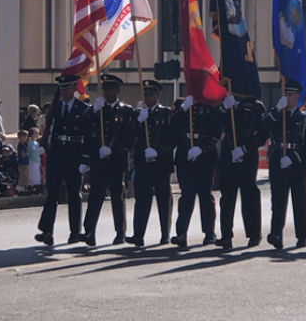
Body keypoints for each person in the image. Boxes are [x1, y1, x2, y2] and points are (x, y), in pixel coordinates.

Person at [34, 75, 92, 246]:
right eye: (62, 88)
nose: (64, 91)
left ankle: (75, 232)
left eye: (67, 88)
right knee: (52, 193)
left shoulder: (83, 109)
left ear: (74, 88)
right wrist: (44, 144)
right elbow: (50, 128)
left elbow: (88, 135)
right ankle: (47, 231)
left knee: (74, 194)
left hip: (74, 154)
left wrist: (85, 159)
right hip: (57, 154)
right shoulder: (55, 108)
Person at [80, 74, 133, 246]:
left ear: (117, 90)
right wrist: (93, 111)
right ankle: (89, 232)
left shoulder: (126, 111)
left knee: (117, 196)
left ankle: (120, 232)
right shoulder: (97, 110)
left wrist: (113, 148)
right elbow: (87, 131)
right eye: (105, 89)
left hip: (116, 160)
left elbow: (129, 137)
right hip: (99, 160)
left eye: (111, 89)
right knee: (95, 195)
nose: (107, 92)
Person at [263, 80, 306, 250]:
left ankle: (302, 236)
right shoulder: (277, 115)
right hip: (278, 159)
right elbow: (262, 128)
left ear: (297, 96)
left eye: (291, 94)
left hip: (297, 163)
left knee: (299, 200)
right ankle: (276, 234)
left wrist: (293, 158)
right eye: (285, 94)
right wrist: (277, 110)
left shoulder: (305, 119)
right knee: (278, 201)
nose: (287, 97)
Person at [125, 79, 175, 249]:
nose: (148, 97)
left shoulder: (166, 113)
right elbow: (130, 137)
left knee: (164, 199)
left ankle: (165, 233)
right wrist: (139, 122)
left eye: (151, 94)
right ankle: (138, 234)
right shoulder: (137, 114)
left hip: (161, 164)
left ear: (158, 95)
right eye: (145, 94)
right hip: (143, 164)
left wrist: (158, 150)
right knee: (141, 200)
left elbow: (171, 138)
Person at [215, 91, 267, 250]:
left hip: (247, 155)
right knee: (227, 196)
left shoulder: (256, 106)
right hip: (228, 154)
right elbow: (213, 125)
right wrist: (224, 109)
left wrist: (245, 148)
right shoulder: (225, 104)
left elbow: (262, 133)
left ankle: (254, 234)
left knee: (249, 194)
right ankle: (225, 236)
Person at [170, 93, 221, 249]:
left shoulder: (212, 107)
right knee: (186, 196)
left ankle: (209, 233)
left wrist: (201, 147)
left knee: (205, 195)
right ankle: (181, 234)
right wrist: (183, 109)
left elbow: (216, 132)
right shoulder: (181, 105)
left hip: (205, 157)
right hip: (185, 155)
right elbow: (172, 127)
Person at [26, 127, 43, 193]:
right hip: (32, 160)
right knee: (32, 174)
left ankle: (36, 187)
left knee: (36, 174)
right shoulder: (30, 142)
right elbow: (33, 150)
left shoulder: (36, 142)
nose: (37, 134)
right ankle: (31, 186)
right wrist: (41, 150)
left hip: (37, 160)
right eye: (35, 133)